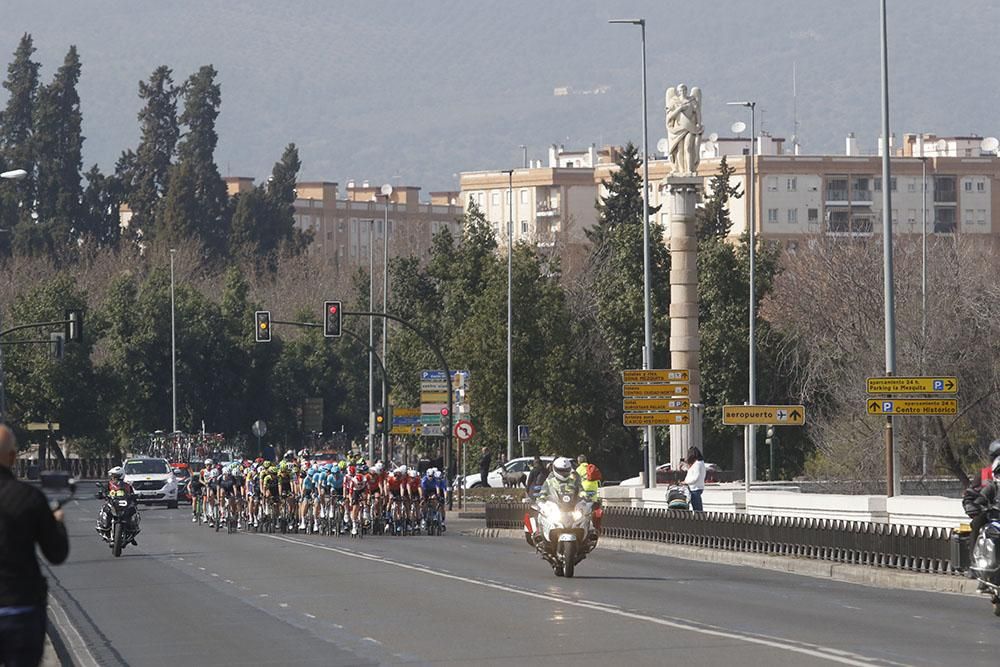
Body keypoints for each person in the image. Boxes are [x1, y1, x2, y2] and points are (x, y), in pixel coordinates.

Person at [0, 424, 69, 667]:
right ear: (12, 457)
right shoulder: (28, 497)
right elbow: (56, 553)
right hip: (21, 609)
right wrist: (58, 522)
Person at [682, 446, 706, 512]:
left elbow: (696, 477)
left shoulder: (697, 464)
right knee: (697, 507)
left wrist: (686, 482)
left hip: (695, 488)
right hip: (696, 487)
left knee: (697, 508)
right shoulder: (700, 463)